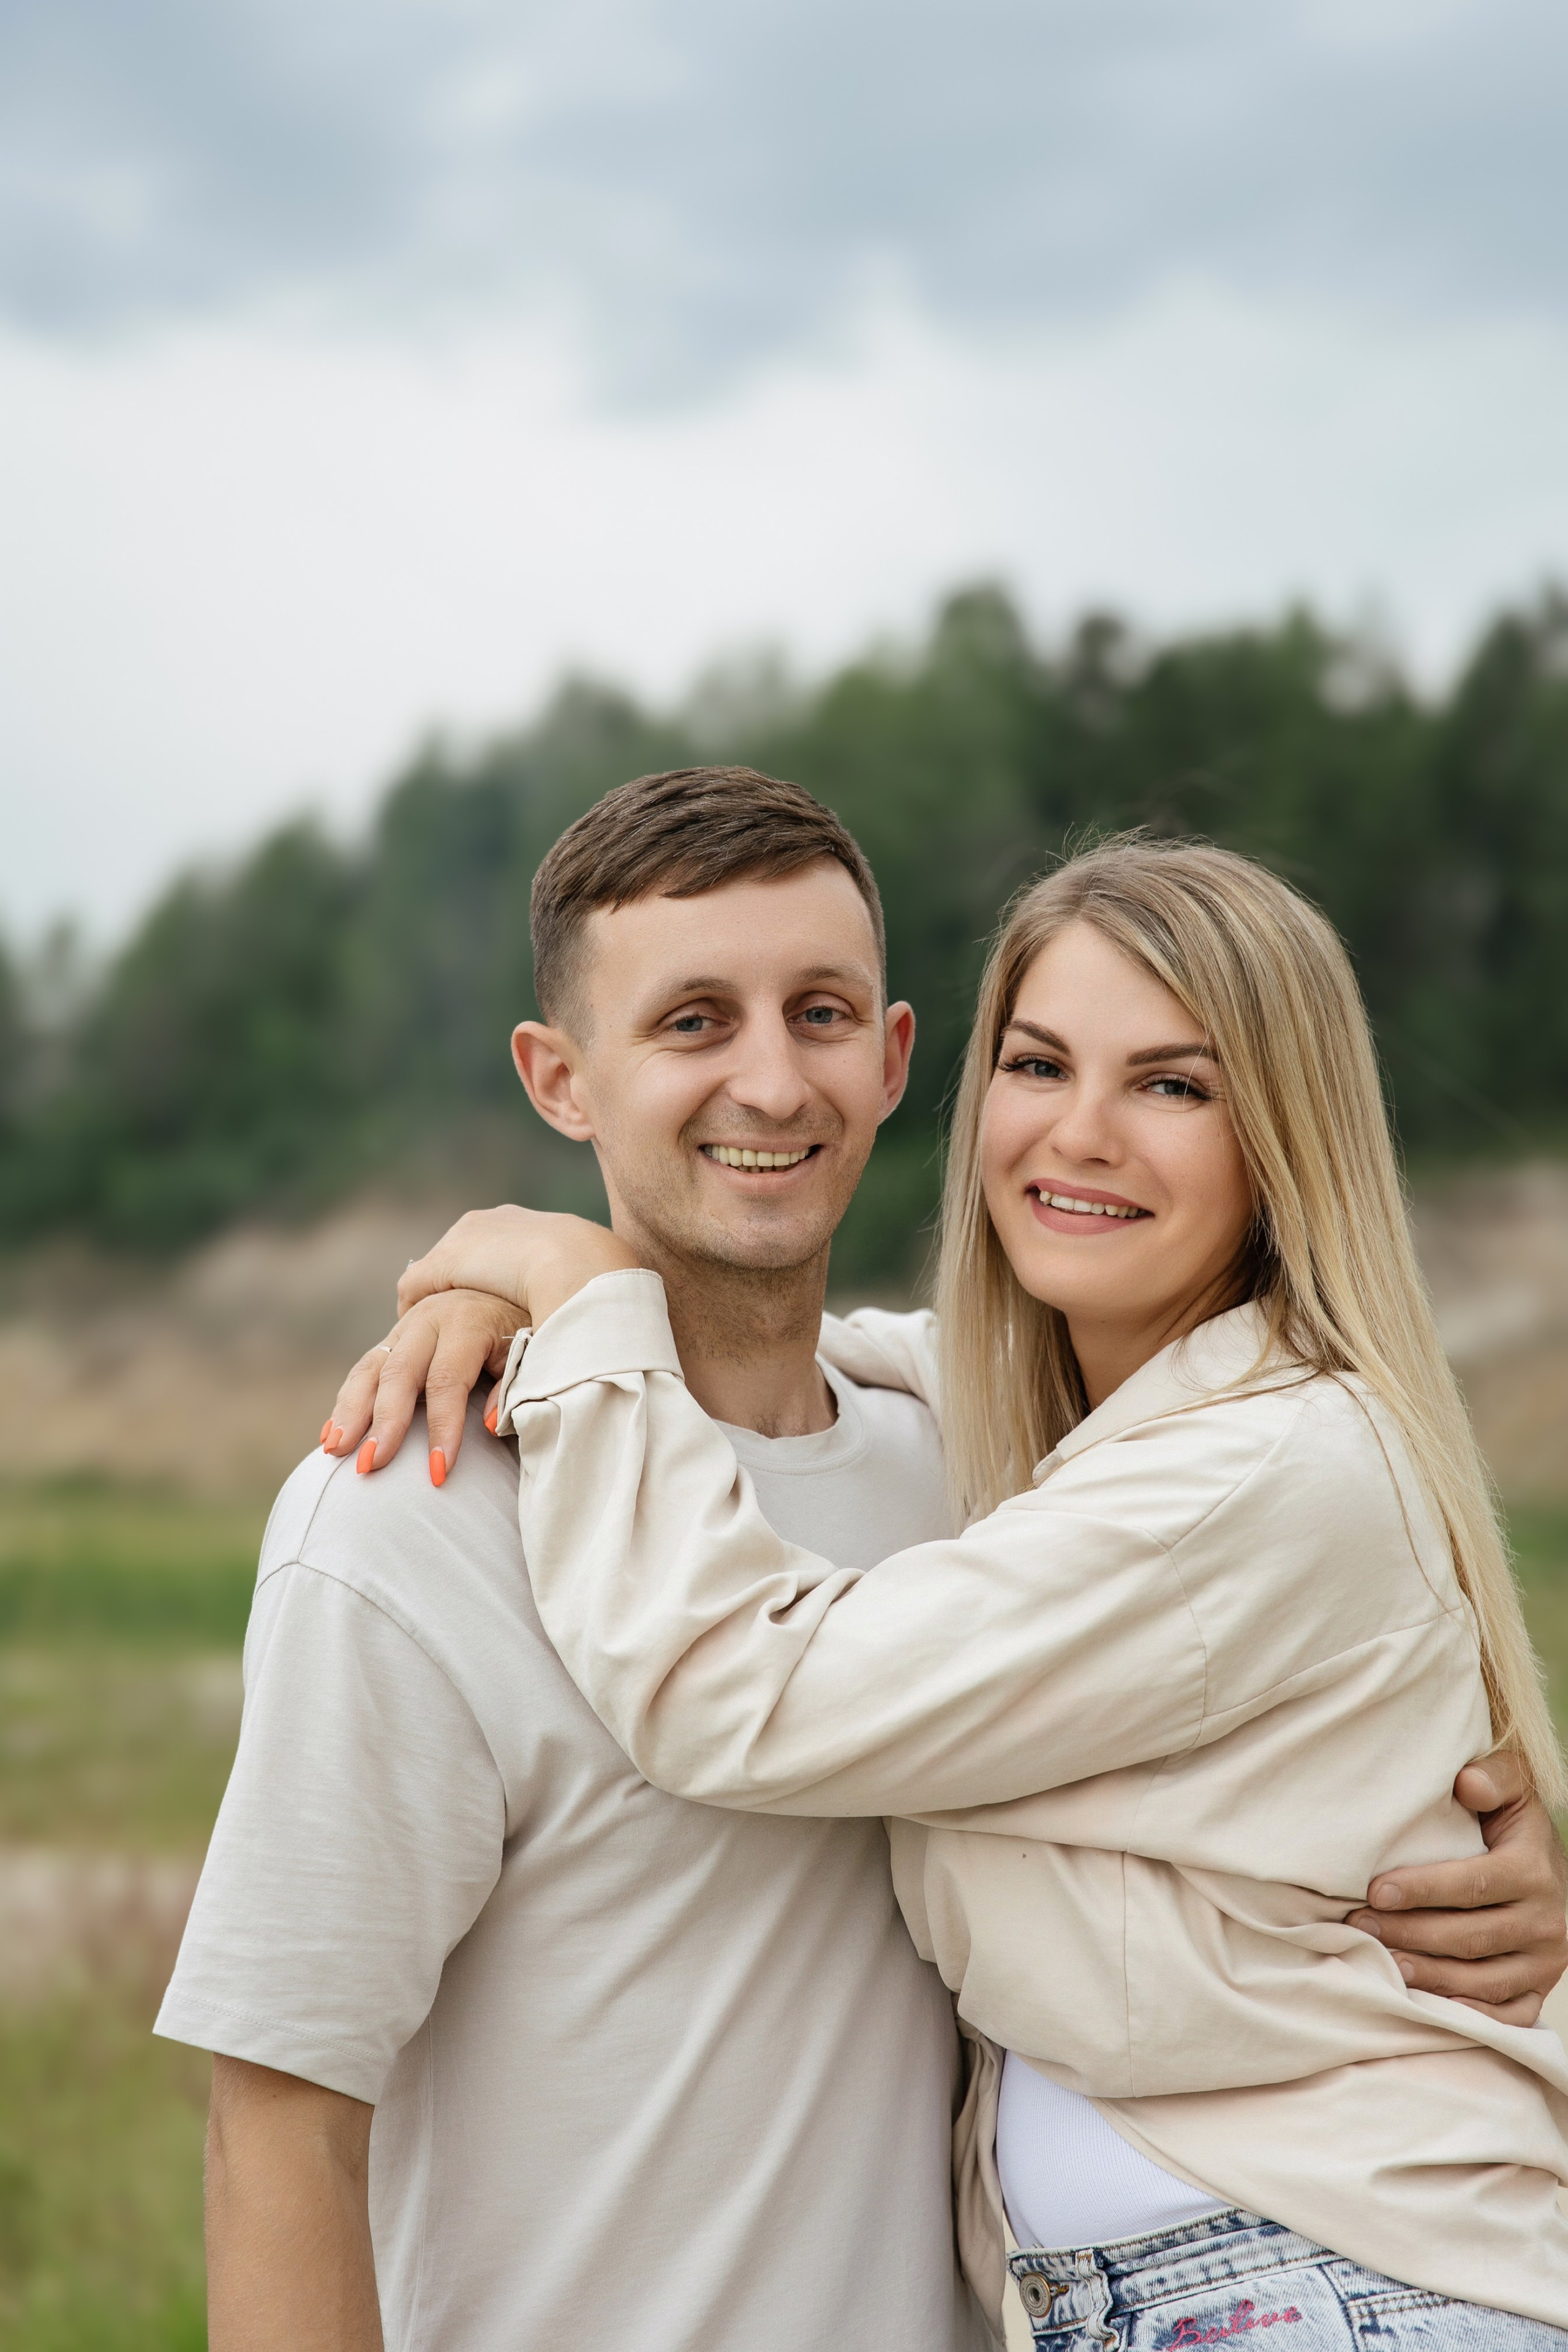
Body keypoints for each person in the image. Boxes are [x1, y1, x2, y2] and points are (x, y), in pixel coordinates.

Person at [159, 777, 1564, 2352]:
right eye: (692, 1021)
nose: (769, 1079)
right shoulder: (411, 1511)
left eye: (817, 1011)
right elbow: (279, 2113)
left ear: (892, 1059)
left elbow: (745, 1679)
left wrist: (566, 1278)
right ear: (560, 1080)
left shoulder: (1000, 1491)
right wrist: (540, 1299)